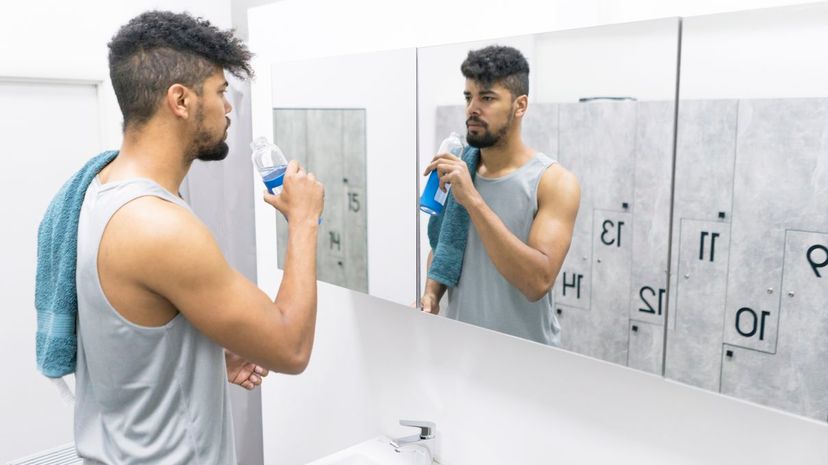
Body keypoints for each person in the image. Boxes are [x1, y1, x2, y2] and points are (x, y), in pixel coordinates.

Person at [71, 11, 323, 464]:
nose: (228, 108)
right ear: (181, 100)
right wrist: (304, 223)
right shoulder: (157, 225)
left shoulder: (102, 189)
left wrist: (203, 363)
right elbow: (291, 348)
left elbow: (130, 337)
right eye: (221, 92)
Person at [420, 45, 580, 346]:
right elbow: (445, 247)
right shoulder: (459, 166)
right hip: (461, 352)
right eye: (469, 97)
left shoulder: (555, 182)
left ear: (520, 106)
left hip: (525, 362)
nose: (472, 109)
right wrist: (431, 293)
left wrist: (473, 200)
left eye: (487, 98)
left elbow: (536, 282)